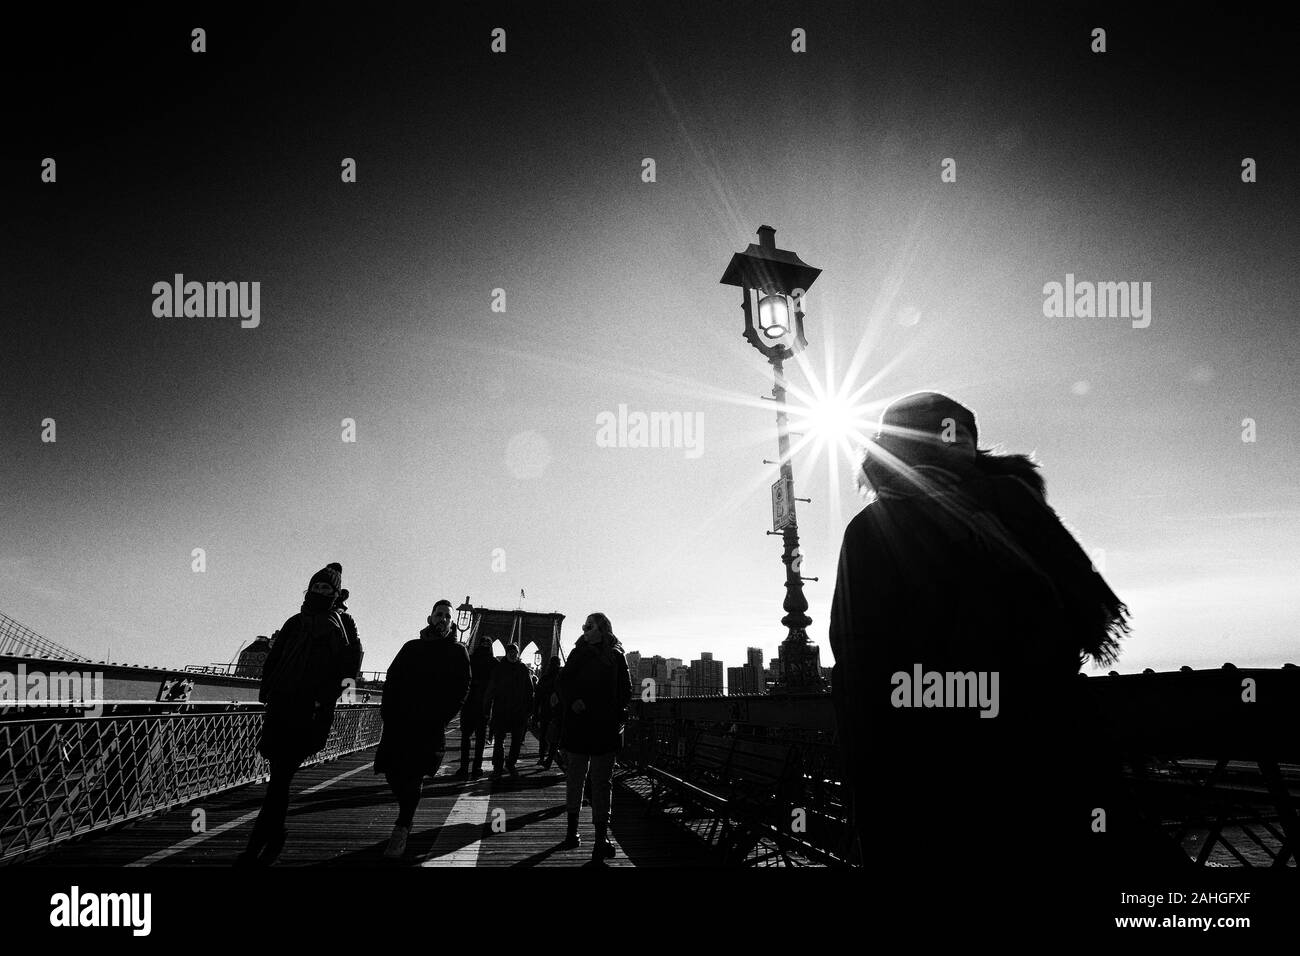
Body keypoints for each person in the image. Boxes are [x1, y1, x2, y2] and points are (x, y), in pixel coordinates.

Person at [828, 392, 1137, 881]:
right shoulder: (1016, 507)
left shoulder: (876, 527)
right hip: (1042, 748)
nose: (958, 439)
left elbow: (859, 660)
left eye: (962, 430)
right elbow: (1075, 615)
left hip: (934, 761)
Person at [237, 562, 361, 866]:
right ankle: (275, 834)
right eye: (316, 587)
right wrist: (267, 691)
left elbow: (350, 667)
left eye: (326, 588)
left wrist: (326, 699)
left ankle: (254, 849)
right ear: (309, 589)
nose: (320, 592)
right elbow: (275, 658)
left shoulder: (344, 624)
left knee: (279, 779)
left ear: (336, 593)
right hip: (281, 705)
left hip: (310, 710)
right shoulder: (295, 621)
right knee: (280, 779)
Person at [373, 599, 471, 859]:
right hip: (400, 723)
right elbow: (392, 680)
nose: (443, 619)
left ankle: (403, 825)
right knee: (393, 774)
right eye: (439, 614)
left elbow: (462, 688)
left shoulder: (458, 652)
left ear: (452, 622)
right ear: (430, 618)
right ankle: (406, 816)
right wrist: (387, 712)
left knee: (413, 774)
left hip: (429, 725)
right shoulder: (411, 647)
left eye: (447, 616)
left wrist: (443, 717)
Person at [557, 612, 631, 863]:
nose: (584, 630)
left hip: (604, 728)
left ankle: (600, 838)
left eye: (589, 626)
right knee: (576, 779)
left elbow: (626, 691)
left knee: (601, 783)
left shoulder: (617, 655)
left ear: (602, 629)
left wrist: (614, 713)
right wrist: (573, 700)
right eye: (584, 626)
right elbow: (563, 683)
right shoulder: (578, 653)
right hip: (580, 726)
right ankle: (571, 831)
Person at [485, 643, 535, 778]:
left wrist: (529, 710)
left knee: (516, 740)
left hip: (518, 711)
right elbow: (491, 689)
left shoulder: (523, 669)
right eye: (511, 651)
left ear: (518, 654)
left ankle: (511, 763)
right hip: (501, 710)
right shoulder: (499, 669)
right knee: (499, 739)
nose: (513, 654)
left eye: (515, 652)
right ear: (507, 653)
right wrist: (487, 707)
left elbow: (530, 691)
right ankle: (498, 765)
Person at [455, 634, 497, 778]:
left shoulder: (471, 659)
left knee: (472, 738)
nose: (485, 644)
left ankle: (469, 768)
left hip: (477, 705)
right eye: (483, 641)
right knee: (472, 738)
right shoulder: (492, 662)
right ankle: (470, 768)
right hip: (477, 705)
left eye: (487, 642)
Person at [533, 656, 564, 770]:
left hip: (545, 711)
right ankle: (551, 759)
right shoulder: (562, 677)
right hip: (557, 712)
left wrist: (535, 713)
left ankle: (543, 757)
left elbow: (537, 697)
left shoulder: (544, 678)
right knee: (554, 738)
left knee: (543, 735)